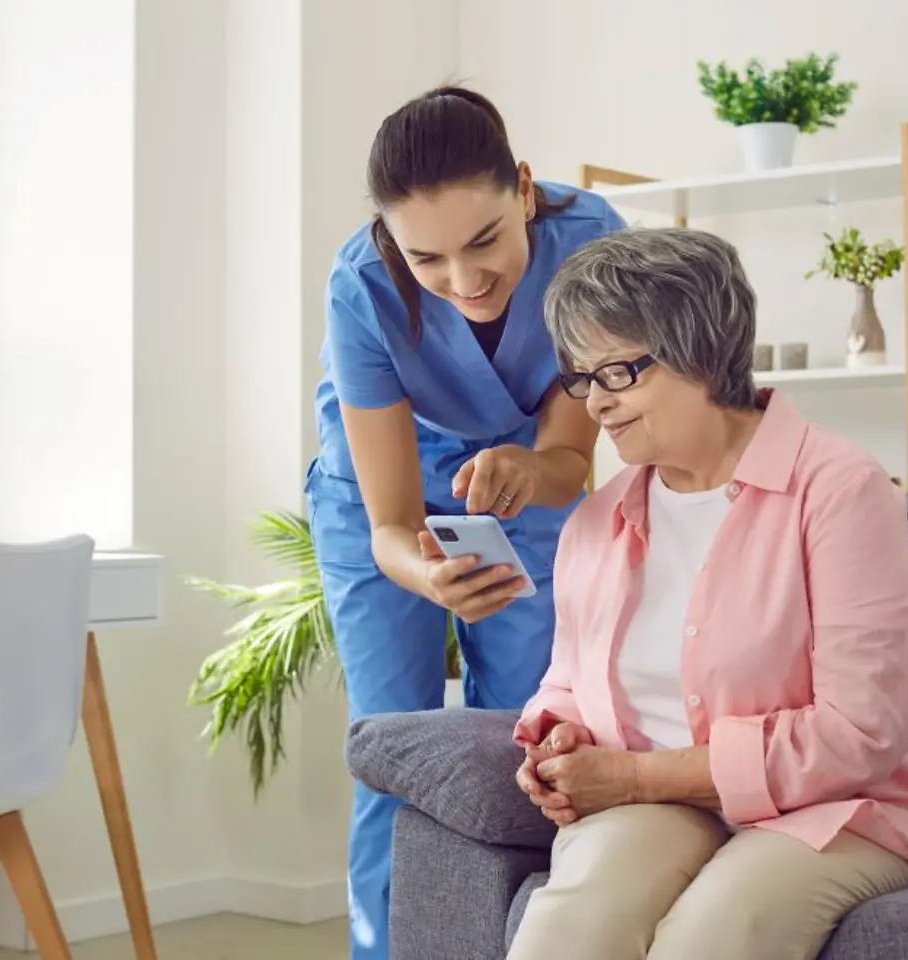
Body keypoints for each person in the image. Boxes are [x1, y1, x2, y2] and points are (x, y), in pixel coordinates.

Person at [505, 227, 908, 960]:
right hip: (663, 806)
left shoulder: (840, 492)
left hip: (835, 811)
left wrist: (632, 776)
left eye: (618, 373)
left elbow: (861, 736)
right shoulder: (598, 521)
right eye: (581, 378)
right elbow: (566, 679)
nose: (594, 404)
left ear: (699, 351)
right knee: (566, 928)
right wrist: (555, 734)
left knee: (710, 935)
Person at [305, 85, 628, 959]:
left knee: (526, 737)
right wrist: (427, 573)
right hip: (378, 504)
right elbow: (389, 526)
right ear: (391, 244)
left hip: (525, 480)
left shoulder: (591, 244)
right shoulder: (363, 289)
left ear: (523, 190)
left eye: (485, 240)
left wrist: (527, 466)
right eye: (428, 260)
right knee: (394, 741)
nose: (464, 280)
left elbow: (569, 463)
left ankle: (508, 943)